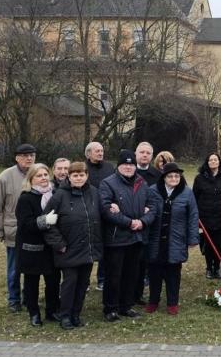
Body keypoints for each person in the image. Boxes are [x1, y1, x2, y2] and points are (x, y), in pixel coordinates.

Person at [43, 161, 103, 330]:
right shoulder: (59, 196)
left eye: (81, 175)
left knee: (83, 283)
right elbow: (47, 222)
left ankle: (76, 314)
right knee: (70, 283)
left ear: (87, 176)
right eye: (75, 175)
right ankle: (65, 316)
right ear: (69, 177)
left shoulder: (94, 193)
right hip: (68, 249)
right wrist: (59, 244)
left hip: (88, 248)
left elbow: (101, 214)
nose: (78, 178)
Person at [99, 150, 157, 321]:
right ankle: (111, 308)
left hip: (137, 237)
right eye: (125, 164)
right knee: (114, 276)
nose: (128, 167)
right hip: (117, 238)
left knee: (132, 274)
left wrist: (143, 221)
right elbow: (106, 210)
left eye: (131, 165)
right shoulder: (107, 183)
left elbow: (152, 206)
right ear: (119, 166)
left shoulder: (141, 182)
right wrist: (130, 222)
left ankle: (126, 306)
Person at [146, 162, 199, 315]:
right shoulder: (152, 191)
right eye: (170, 176)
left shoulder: (187, 193)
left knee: (173, 273)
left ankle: (172, 303)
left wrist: (192, 238)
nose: (174, 178)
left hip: (176, 239)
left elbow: (193, 216)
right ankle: (153, 301)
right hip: (155, 239)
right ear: (164, 178)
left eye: (177, 176)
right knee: (154, 272)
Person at [0, 143, 36, 313]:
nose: (29, 159)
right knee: (14, 269)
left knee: (31, 268)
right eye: (25, 156)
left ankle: (28, 297)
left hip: (33, 230)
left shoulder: (38, 173)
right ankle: (14, 299)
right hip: (13, 231)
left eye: (31, 155)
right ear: (17, 158)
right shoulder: (5, 177)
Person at [15, 163, 61, 326]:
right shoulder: (26, 198)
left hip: (50, 248)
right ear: (31, 179)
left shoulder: (55, 194)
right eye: (39, 176)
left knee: (53, 281)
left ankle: (51, 311)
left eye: (45, 175)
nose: (43, 178)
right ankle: (34, 313)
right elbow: (25, 224)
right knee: (31, 283)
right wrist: (44, 221)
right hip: (32, 248)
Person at [131, 141, 160, 305]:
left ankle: (138, 294)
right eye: (141, 152)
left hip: (150, 223)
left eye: (148, 153)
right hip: (131, 223)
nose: (144, 155)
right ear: (136, 154)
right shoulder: (127, 170)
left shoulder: (157, 175)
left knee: (144, 262)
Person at [85, 141, 114, 292]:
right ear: (88, 154)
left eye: (102, 150)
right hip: (88, 211)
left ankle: (102, 279)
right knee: (88, 247)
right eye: (97, 151)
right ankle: (85, 280)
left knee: (105, 247)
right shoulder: (83, 168)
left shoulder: (109, 167)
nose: (100, 153)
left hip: (107, 211)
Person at [193, 153, 221, 279]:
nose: (213, 162)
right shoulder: (199, 179)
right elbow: (194, 197)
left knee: (218, 244)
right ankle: (208, 268)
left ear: (219, 162)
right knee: (208, 244)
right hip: (205, 217)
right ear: (207, 162)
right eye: (210, 160)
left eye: (215, 159)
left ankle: (217, 267)